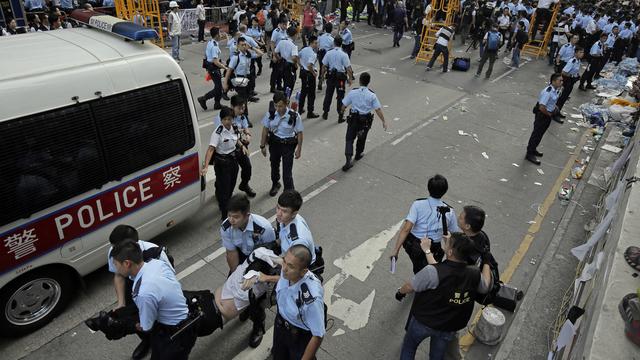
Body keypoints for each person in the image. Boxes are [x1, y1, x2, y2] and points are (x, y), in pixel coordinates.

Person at [395, 233, 493, 360]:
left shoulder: (433, 272)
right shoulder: (474, 273)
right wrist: (487, 262)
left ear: (450, 251)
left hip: (424, 321)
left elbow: (410, 286)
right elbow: (485, 286)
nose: (445, 243)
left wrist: (400, 292)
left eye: (447, 243)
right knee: (437, 356)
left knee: (409, 347)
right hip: (449, 327)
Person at [110, 240, 196, 360]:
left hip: (174, 335)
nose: (115, 269)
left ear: (127, 263)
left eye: (116, 265)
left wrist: (127, 326)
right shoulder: (155, 263)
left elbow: (146, 327)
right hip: (186, 325)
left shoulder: (143, 292)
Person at [106, 225, 173, 360]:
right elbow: (119, 276)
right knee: (135, 316)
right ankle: (147, 341)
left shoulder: (155, 253)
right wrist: (121, 303)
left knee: (154, 323)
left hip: (154, 291)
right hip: (133, 286)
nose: (114, 251)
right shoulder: (115, 251)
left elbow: (169, 284)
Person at [390, 174, 461, 274]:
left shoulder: (418, 204)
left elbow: (406, 229)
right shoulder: (449, 211)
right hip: (434, 248)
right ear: (445, 191)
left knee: (421, 271)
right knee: (427, 271)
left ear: (428, 188)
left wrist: (396, 250)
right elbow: (454, 234)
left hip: (414, 245)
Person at [271, 245, 325, 359]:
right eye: (285, 261)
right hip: (281, 326)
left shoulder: (311, 299)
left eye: (290, 266)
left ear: (303, 271)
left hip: (299, 338)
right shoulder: (287, 272)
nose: (284, 268)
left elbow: (318, 335)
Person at [201, 106, 246, 219]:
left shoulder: (234, 127)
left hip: (233, 161)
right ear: (221, 120)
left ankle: (223, 200)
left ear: (233, 119)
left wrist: (242, 146)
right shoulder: (218, 133)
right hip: (222, 163)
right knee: (225, 190)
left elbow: (236, 139)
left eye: (229, 119)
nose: (227, 121)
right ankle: (224, 215)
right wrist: (206, 167)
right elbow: (211, 149)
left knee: (231, 185)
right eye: (224, 119)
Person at [341, 72, 388, 171]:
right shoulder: (372, 95)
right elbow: (378, 109)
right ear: (368, 82)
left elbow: (344, 105)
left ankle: (348, 161)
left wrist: (342, 112)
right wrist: (383, 121)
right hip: (365, 121)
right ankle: (358, 154)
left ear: (360, 81)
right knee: (361, 138)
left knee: (349, 139)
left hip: (353, 120)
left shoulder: (353, 92)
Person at [260, 91, 304, 196]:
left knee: (287, 173)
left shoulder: (294, 116)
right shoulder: (270, 114)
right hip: (274, 144)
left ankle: (289, 193)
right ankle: (275, 184)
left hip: (288, 146)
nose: (278, 109)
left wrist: (299, 149)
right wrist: (262, 146)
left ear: (286, 103)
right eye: (276, 105)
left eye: (280, 106)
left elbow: (300, 133)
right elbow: (265, 130)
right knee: (274, 166)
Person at [216, 95, 256, 197]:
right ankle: (220, 192)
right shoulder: (223, 117)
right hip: (226, 151)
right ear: (232, 106)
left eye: (243, 108)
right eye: (239, 108)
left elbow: (246, 126)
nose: (242, 111)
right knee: (225, 175)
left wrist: (248, 135)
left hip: (239, 147)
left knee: (247, 167)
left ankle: (244, 184)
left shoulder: (241, 116)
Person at [525, 73, 563, 165]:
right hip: (543, 115)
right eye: (560, 80)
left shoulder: (555, 90)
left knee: (540, 134)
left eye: (562, 80)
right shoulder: (548, 91)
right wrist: (549, 114)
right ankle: (529, 154)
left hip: (547, 115)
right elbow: (542, 107)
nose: (561, 82)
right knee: (536, 134)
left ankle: (533, 149)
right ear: (553, 81)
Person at [224, 37, 264, 115]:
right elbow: (229, 71)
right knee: (243, 100)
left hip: (247, 78)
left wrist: (252, 47)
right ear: (238, 46)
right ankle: (245, 117)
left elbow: (261, 54)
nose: (244, 46)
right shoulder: (236, 57)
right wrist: (225, 83)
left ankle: (239, 113)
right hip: (239, 79)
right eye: (242, 45)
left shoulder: (248, 54)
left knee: (245, 98)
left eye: (245, 44)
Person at [321, 36, 353, 122]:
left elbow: (324, 66)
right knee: (340, 97)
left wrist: (321, 77)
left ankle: (325, 113)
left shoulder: (329, 53)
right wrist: (350, 79)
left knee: (328, 95)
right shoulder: (344, 54)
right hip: (340, 79)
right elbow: (348, 68)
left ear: (334, 43)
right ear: (341, 43)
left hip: (331, 77)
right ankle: (340, 115)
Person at [198, 27, 228, 111]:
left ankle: (217, 104)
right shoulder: (214, 46)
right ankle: (203, 99)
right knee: (218, 88)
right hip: (214, 68)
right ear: (217, 35)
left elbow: (207, 55)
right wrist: (225, 67)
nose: (221, 34)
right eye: (220, 33)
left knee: (218, 87)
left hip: (211, 67)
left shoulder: (211, 42)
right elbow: (215, 61)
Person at [555, 47, 584, 122]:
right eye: (580, 52)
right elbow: (564, 72)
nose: (582, 54)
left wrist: (577, 76)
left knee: (564, 98)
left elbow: (576, 71)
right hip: (566, 81)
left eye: (582, 52)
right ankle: (554, 114)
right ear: (575, 53)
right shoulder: (572, 61)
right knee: (561, 98)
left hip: (571, 81)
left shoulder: (578, 61)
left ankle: (558, 111)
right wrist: (572, 76)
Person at [298, 35, 321, 119]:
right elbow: (309, 65)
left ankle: (300, 109)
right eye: (316, 43)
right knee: (311, 94)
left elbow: (297, 56)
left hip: (303, 73)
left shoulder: (304, 49)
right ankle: (310, 112)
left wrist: (300, 65)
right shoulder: (313, 53)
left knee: (303, 92)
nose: (317, 44)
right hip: (309, 74)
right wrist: (313, 73)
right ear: (311, 43)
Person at [274, 26, 300, 97]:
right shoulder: (293, 46)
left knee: (285, 83)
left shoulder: (281, 42)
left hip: (282, 65)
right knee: (289, 86)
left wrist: (279, 59)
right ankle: (286, 99)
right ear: (295, 35)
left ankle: (284, 98)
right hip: (290, 67)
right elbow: (294, 57)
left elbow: (275, 52)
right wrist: (295, 64)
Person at [270, 17, 289, 93]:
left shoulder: (285, 31)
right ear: (280, 24)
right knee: (275, 71)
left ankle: (279, 85)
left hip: (283, 53)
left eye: (286, 25)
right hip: (276, 52)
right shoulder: (276, 31)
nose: (285, 26)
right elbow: (272, 43)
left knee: (281, 71)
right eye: (284, 25)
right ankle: (272, 87)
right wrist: (274, 55)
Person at [317, 23, 335, 91]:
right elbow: (333, 49)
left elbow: (317, 44)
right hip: (327, 55)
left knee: (321, 68)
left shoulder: (321, 36)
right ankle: (328, 83)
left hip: (320, 53)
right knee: (328, 69)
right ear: (331, 30)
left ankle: (320, 81)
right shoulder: (332, 39)